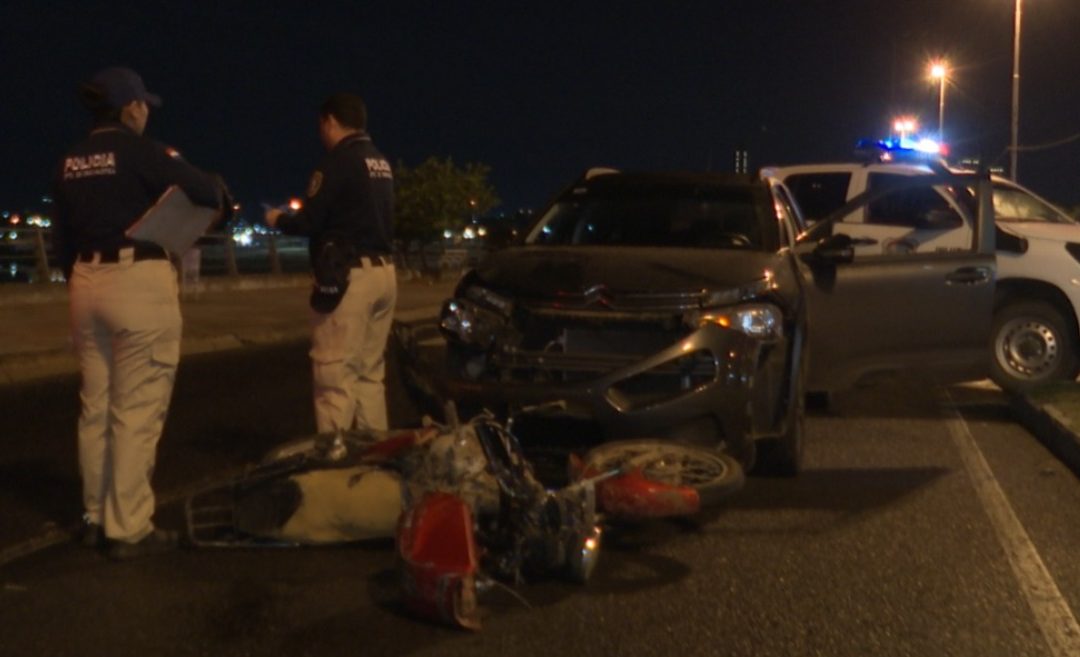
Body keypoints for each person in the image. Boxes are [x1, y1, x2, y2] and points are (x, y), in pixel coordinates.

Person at [52, 66, 231, 560]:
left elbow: (62, 238)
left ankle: (94, 515)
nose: (147, 110)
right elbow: (206, 191)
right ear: (129, 106)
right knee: (137, 410)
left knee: (96, 408)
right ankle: (128, 526)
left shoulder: (69, 160)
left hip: (85, 284)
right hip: (136, 283)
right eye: (143, 103)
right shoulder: (143, 152)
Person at [265, 93, 397, 434]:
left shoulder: (338, 161)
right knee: (370, 375)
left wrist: (278, 219)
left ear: (330, 121)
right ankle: (377, 458)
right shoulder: (378, 160)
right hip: (384, 272)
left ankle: (335, 464)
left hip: (350, 277)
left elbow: (310, 221)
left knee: (334, 374)